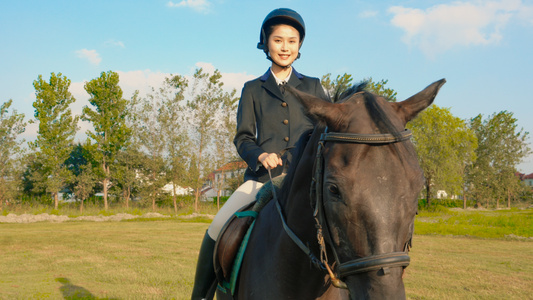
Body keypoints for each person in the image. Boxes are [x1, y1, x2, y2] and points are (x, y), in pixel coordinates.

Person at [191, 8, 328, 300]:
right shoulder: (253, 89)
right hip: (261, 180)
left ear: (299, 46)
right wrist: (260, 155)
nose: (285, 47)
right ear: (266, 43)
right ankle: (202, 294)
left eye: (292, 41)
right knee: (217, 226)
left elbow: (326, 130)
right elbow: (242, 137)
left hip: (305, 181)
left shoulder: (314, 86)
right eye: (278, 40)